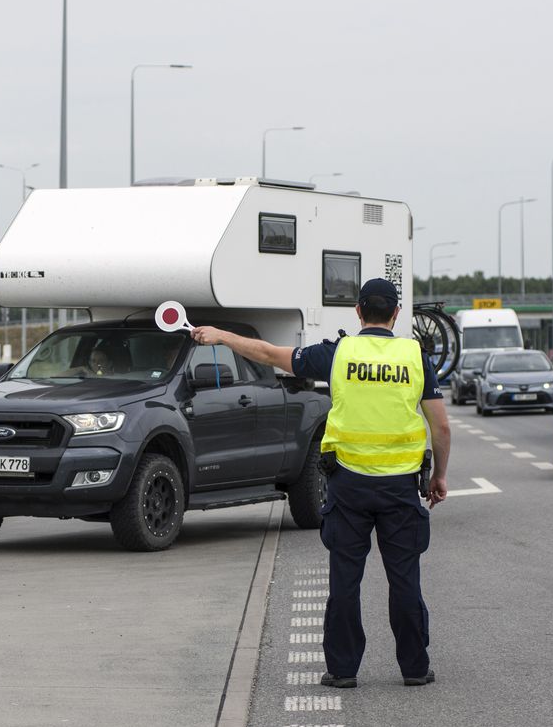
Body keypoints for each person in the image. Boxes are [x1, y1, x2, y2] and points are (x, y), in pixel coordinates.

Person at [192, 279, 451, 687]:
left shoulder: (337, 353)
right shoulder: (415, 355)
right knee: (404, 578)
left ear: (359, 312)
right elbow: (441, 427)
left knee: (346, 578)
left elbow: (266, 354)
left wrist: (221, 336)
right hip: (401, 488)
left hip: (348, 486)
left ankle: (343, 670)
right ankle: (415, 669)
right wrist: (438, 476)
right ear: (397, 313)